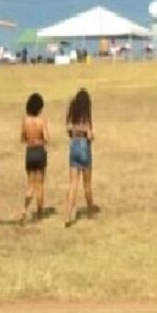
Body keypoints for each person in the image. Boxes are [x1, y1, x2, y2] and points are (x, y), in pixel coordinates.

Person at [64, 88, 98, 226]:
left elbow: (68, 130)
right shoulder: (86, 115)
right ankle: (90, 211)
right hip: (84, 146)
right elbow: (90, 134)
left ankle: (67, 215)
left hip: (73, 146)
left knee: (73, 184)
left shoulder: (73, 114)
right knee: (87, 184)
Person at [20, 92, 49, 225]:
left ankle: (24, 210)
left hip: (30, 152)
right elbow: (47, 138)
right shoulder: (41, 121)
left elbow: (22, 138)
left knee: (30, 185)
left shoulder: (25, 121)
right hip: (39, 151)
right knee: (40, 185)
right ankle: (39, 212)